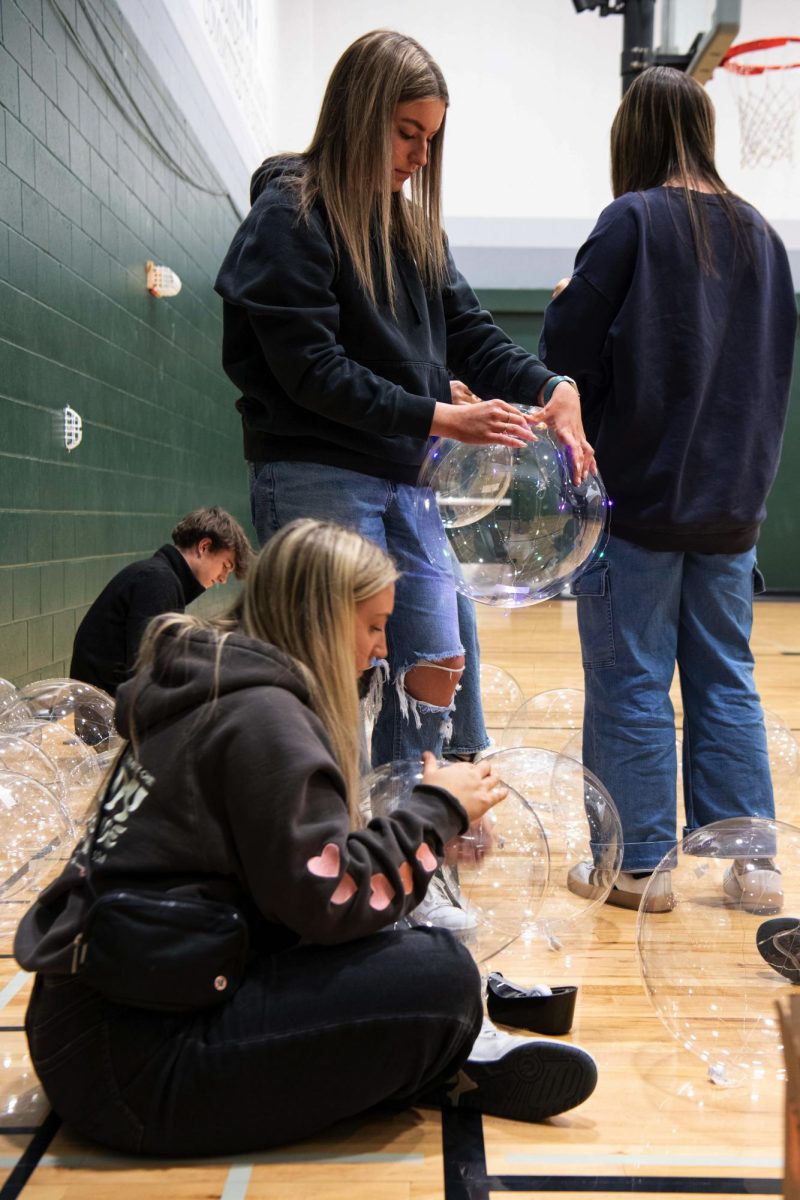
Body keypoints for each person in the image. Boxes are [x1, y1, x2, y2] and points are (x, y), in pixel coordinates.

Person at [16, 519, 598, 1156]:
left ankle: (420, 1051)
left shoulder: (218, 689)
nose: (382, 649)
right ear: (321, 617)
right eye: (374, 626)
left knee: (404, 953)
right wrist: (434, 813)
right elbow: (336, 901)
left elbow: (286, 881)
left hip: (93, 1030)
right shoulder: (267, 718)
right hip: (141, 1072)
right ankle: (437, 1054)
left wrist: (424, 835)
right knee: (442, 975)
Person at [214, 29, 594, 781]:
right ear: (359, 114)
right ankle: (327, 846)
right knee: (330, 677)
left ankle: (409, 843)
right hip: (316, 476)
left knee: (437, 657)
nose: (421, 157)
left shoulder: (416, 231)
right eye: (407, 133)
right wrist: (440, 417)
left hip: (408, 480)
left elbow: (475, 336)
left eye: (431, 139)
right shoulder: (290, 216)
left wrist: (557, 388)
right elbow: (311, 372)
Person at [539, 66, 796, 914]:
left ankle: (639, 867)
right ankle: (753, 863)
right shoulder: (764, 234)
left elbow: (567, 352)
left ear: (633, 137)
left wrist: (562, 304)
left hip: (639, 500)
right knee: (728, 676)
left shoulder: (631, 221)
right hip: (733, 508)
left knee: (632, 679)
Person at [69, 507, 253, 697]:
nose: (223, 579)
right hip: (107, 712)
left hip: (107, 706)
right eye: (226, 566)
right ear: (204, 546)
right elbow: (147, 670)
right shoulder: (158, 581)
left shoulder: (159, 577)